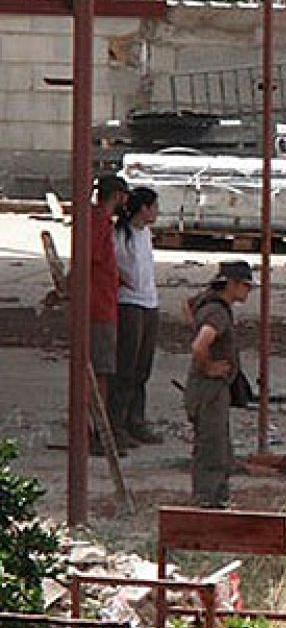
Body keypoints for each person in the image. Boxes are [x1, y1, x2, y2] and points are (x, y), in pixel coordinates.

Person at [185, 261, 254, 508]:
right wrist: (209, 366)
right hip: (209, 389)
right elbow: (199, 345)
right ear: (232, 284)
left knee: (218, 444)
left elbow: (188, 306)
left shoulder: (207, 301)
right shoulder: (218, 313)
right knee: (212, 447)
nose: (248, 291)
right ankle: (207, 501)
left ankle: (217, 498)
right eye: (246, 285)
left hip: (206, 390)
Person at [109, 187, 162, 446]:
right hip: (129, 303)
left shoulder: (145, 234)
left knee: (142, 367)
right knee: (126, 368)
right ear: (144, 209)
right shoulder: (120, 234)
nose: (157, 212)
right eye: (154, 207)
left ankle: (136, 420)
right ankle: (116, 424)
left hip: (149, 302)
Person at [89, 174, 130, 455]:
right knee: (99, 374)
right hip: (98, 307)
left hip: (104, 301)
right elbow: (88, 257)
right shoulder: (98, 224)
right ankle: (96, 433)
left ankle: (96, 430)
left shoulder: (100, 223)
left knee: (100, 372)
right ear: (117, 195)